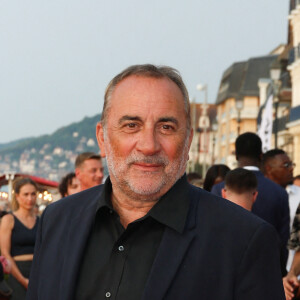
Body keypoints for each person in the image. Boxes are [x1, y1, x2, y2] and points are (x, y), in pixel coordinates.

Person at [26, 64, 284, 300]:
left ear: (188, 141)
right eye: (131, 125)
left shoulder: (243, 240)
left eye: (166, 127)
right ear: (102, 138)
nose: (148, 145)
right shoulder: (57, 221)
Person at [211, 132, 290, 275]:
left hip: (226, 274)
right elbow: (283, 240)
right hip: (267, 273)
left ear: (236, 155)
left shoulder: (218, 190)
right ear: (261, 156)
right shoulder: (279, 193)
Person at [0, 178, 39, 300]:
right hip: (16, 271)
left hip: (38, 270)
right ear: (17, 196)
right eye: (26, 194)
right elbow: (5, 253)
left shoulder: (41, 220)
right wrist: (23, 280)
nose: (30, 198)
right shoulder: (9, 220)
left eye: (33, 194)